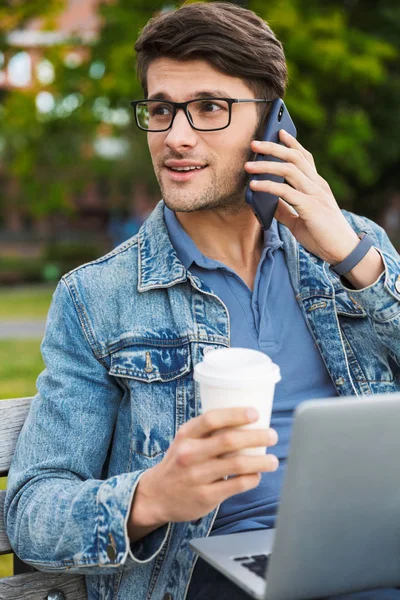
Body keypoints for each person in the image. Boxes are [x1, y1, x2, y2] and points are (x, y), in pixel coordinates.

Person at [5, 3, 400, 600]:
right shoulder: (98, 298)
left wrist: (355, 258)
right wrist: (152, 497)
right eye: (161, 110)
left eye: (210, 108)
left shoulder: (356, 250)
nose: (176, 137)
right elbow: (32, 511)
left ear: (273, 127)